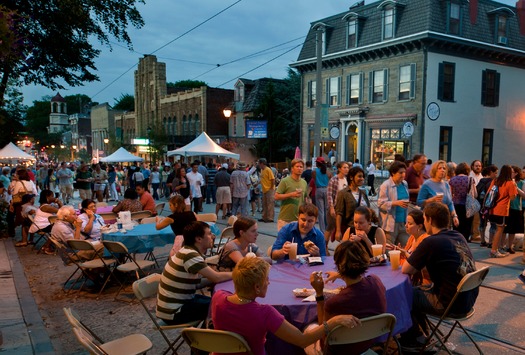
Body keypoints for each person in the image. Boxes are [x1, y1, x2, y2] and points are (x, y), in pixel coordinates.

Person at [211, 257, 361, 355]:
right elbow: (302, 340)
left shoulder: (218, 297)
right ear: (257, 287)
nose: (269, 283)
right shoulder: (265, 313)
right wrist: (333, 322)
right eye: (266, 279)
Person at [400, 202, 478, 350]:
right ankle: (422, 334)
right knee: (418, 291)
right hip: (468, 300)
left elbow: (406, 269)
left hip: (449, 304)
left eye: (424, 219)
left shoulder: (431, 241)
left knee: (404, 294)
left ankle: (414, 339)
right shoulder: (458, 235)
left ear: (429, 220)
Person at [310, 241, 387, 354]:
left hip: (336, 351)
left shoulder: (335, 303)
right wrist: (342, 275)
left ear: (338, 266)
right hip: (366, 344)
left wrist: (319, 294)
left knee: (308, 327)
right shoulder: (376, 281)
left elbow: (323, 331)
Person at [156, 221, 232, 325]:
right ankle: (208, 337)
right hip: (174, 312)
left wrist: (214, 279)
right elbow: (216, 277)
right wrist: (237, 273)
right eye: (209, 234)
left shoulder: (187, 251)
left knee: (217, 302)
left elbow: (197, 283)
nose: (213, 236)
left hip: (173, 307)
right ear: (199, 239)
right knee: (221, 307)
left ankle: (203, 335)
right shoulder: (190, 255)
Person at [387, 209, 431, 286]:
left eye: (410, 224)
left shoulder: (425, 240)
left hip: (423, 283)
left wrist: (405, 253)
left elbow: (418, 263)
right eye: (406, 222)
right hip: (409, 278)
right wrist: (400, 251)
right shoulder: (412, 237)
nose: (405, 225)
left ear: (420, 226)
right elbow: (408, 257)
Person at [487, 165, 518, 258]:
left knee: (495, 228)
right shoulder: (510, 183)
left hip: (492, 208)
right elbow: (512, 197)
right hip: (502, 209)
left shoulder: (495, 181)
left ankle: (495, 248)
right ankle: (494, 250)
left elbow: (489, 192)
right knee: (499, 230)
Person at [417, 160, 459, 228]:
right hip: (431, 220)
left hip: (444, 219)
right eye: (439, 168)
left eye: (444, 168)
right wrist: (431, 200)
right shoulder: (427, 184)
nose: (442, 170)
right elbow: (419, 202)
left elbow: (450, 203)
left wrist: (454, 216)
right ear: (434, 170)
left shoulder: (446, 184)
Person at [378, 161, 410, 247]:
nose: (403, 175)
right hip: (390, 223)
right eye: (400, 173)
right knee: (389, 248)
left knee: (405, 246)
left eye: (404, 172)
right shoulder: (386, 185)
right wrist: (395, 203)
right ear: (393, 173)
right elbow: (381, 204)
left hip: (403, 222)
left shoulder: (404, 184)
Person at [334, 166, 370, 241]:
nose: (362, 179)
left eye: (363, 177)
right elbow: (339, 213)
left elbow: (368, 210)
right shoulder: (343, 193)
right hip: (350, 229)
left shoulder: (363, 193)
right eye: (359, 176)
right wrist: (338, 231)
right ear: (351, 177)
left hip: (365, 230)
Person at [275, 159, 308, 231]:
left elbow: (305, 198)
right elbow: (276, 196)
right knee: (284, 241)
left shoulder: (304, 182)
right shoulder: (285, 181)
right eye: (297, 166)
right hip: (285, 219)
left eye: (301, 167)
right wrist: (291, 194)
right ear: (292, 169)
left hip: (298, 219)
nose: (299, 168)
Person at [325, 161, 350, 245]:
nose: (346, 169)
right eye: (344, 167)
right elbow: (329, 194)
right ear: (339, 169)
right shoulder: (334, 180)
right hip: (335, 206)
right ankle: (325, 245)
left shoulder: (347, 179)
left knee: (343, 227)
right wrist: (331, 208)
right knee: (330, 226)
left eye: (347, 167)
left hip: (344, 207)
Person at [502, 165, 525, 254]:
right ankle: (501, 245)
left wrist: (516, 187)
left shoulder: (521, 182)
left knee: (513, 230)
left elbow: (524, 195)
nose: (510, 173)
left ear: (516, 173)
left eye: (511, 172)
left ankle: (509, 246)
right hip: (506, 207)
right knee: (504, 228)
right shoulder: (506, 181)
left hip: (516, 208)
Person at [449, 162, 475, 241]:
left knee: (457, 226)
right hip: (468, 206)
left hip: (455, 205)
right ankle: (465, 241)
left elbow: (450, 194)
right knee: (467, 226)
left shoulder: (452, 180)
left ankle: (456, 242)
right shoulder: (470, 179)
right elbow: (474, 194)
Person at [9, 167, 38, 234]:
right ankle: (29, 238)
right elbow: (35, 193)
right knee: (28, 219)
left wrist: (11, 205)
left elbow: (14, 194)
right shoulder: (30, 181)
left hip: (20, 204)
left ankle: (13, 232)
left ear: (20, 175)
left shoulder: (19, 183)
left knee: (20, 219)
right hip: (29, 204)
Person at [476, 165, 498, 247]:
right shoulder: (493, 182)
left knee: (482, 223)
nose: (496, 175)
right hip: (491, 207)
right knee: (493, 224)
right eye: (495, 173)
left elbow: (476, 193)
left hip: (481, 206)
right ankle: (490, 242)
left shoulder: (481, 181)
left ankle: (482, 241)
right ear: (491, 172)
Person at [312, 157, 332, 233]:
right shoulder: (328, 172)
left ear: (317, 163)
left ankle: (322, 230)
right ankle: (327, 228)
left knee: (321, 211)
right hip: (327, 189)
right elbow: (331, 180)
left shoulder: (314, 171)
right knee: (327, 210)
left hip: (319, 189)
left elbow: (314, 180)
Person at [469, 160, 483, 241]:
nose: (478, 167)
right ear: (472, 166)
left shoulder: (481, 176)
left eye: (479, 166)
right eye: (476, 166)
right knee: (472, 219)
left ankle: (475, 234)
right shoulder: (470, 176)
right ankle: (473, 234)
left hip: (478, 200)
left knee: (477, 219)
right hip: (471, 200)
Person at [258, 158, 275, 223]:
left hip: (269, 189)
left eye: (259, 163)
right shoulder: (262, 170)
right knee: (264, 204)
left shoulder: (268, 170)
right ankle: (264, 217)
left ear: (262, 163)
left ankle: (270, 218)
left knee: (270, 204)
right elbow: (262, 179)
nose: (258, 165)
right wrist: (257, 183)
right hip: (264, 189)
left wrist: (271, 188)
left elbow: (272, 179)